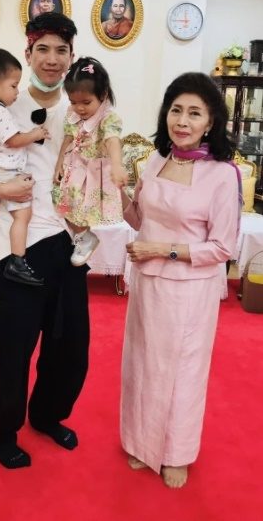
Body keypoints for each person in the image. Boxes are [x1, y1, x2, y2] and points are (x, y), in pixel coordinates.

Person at [0, 12, 90, 469]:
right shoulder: (0, 105)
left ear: (72, 56)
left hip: (68, 239)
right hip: (19, 244)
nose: (52, 59)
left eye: (61, 50)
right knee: (11, 346)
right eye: (43, 49)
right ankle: (0, 430)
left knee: (70, 345)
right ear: (29, 53)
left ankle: (47, 415)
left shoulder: (82, 108)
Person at [120, 72, 241, 489]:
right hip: (147, 281)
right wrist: (115, 189)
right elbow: (139, 218)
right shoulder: (156, 161)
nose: (182, 121)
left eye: (194, 113)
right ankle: (141, 442)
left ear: (211, 122)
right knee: (142, 363)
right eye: (176, 110)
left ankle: (176, 453)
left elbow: (223, 247)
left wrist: (161, 249)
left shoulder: (222, 174)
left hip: (189, 290)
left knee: (182, 370)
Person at [0, 47, 49, 285]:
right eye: (13, 86)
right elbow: (12, 140)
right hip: (6, 172)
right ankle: (17, 260)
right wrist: (35, 134)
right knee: (22, 215)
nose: (16, 92)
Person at [53, 56, 128, 266]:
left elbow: (112, 140)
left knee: (78, 210)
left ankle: (84, 237)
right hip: (75, 168)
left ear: (103, 95)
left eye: (86, 102)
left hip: (94, 174)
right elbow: (68, 137)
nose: (79, 108)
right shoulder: (73, 113)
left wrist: (117, 165)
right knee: (60, 206)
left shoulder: (108, 118)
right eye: (73, 102)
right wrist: (59, 163)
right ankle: (84, 237)